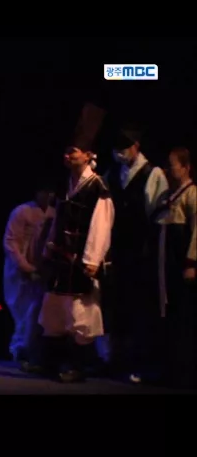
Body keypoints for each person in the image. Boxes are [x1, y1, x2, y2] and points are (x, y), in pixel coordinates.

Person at [37, 102, 115, 383]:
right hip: (61, 258)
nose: (67, 155)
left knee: (80, 313)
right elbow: (55, 218)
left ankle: (78, 366)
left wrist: (92, 259)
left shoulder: (97, 187)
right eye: (67, 151)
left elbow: (101, 225)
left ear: (88, 155)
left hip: (80, 260)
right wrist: (47, 245)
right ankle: (51, 362)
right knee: (55, 309)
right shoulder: (66, 184)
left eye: (73, 151)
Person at [102, 122, 169, 383]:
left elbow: (157, 215)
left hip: (142, 251)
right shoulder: (113, 173)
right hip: (117, 249)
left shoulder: (153, 174)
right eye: (116, 148)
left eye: (124, 147)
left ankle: (140, 363)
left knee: (140, 307)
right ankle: (115, 360)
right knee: (116, 306)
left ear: (136, 147)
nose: (120, 153)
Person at [155, 146, 196, 389]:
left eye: (173, 165)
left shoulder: (192, 194)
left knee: (184, 316)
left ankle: (184, 373)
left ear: (186, 167)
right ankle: (168, 368)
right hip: (165, 264)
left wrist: (191, 263)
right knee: (168, 315)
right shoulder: (167, 195)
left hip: (180, 262)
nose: (169, 170)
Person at [3, 185, 55, 366]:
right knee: (22, 312)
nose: (48, 195)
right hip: (19, 271)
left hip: (40, 270)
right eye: (45, 191)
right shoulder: (22, 211)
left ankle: (28, 351)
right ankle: (19, 350)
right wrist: (25, 267)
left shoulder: (53, 213)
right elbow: (11, 242)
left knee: (35, 314)